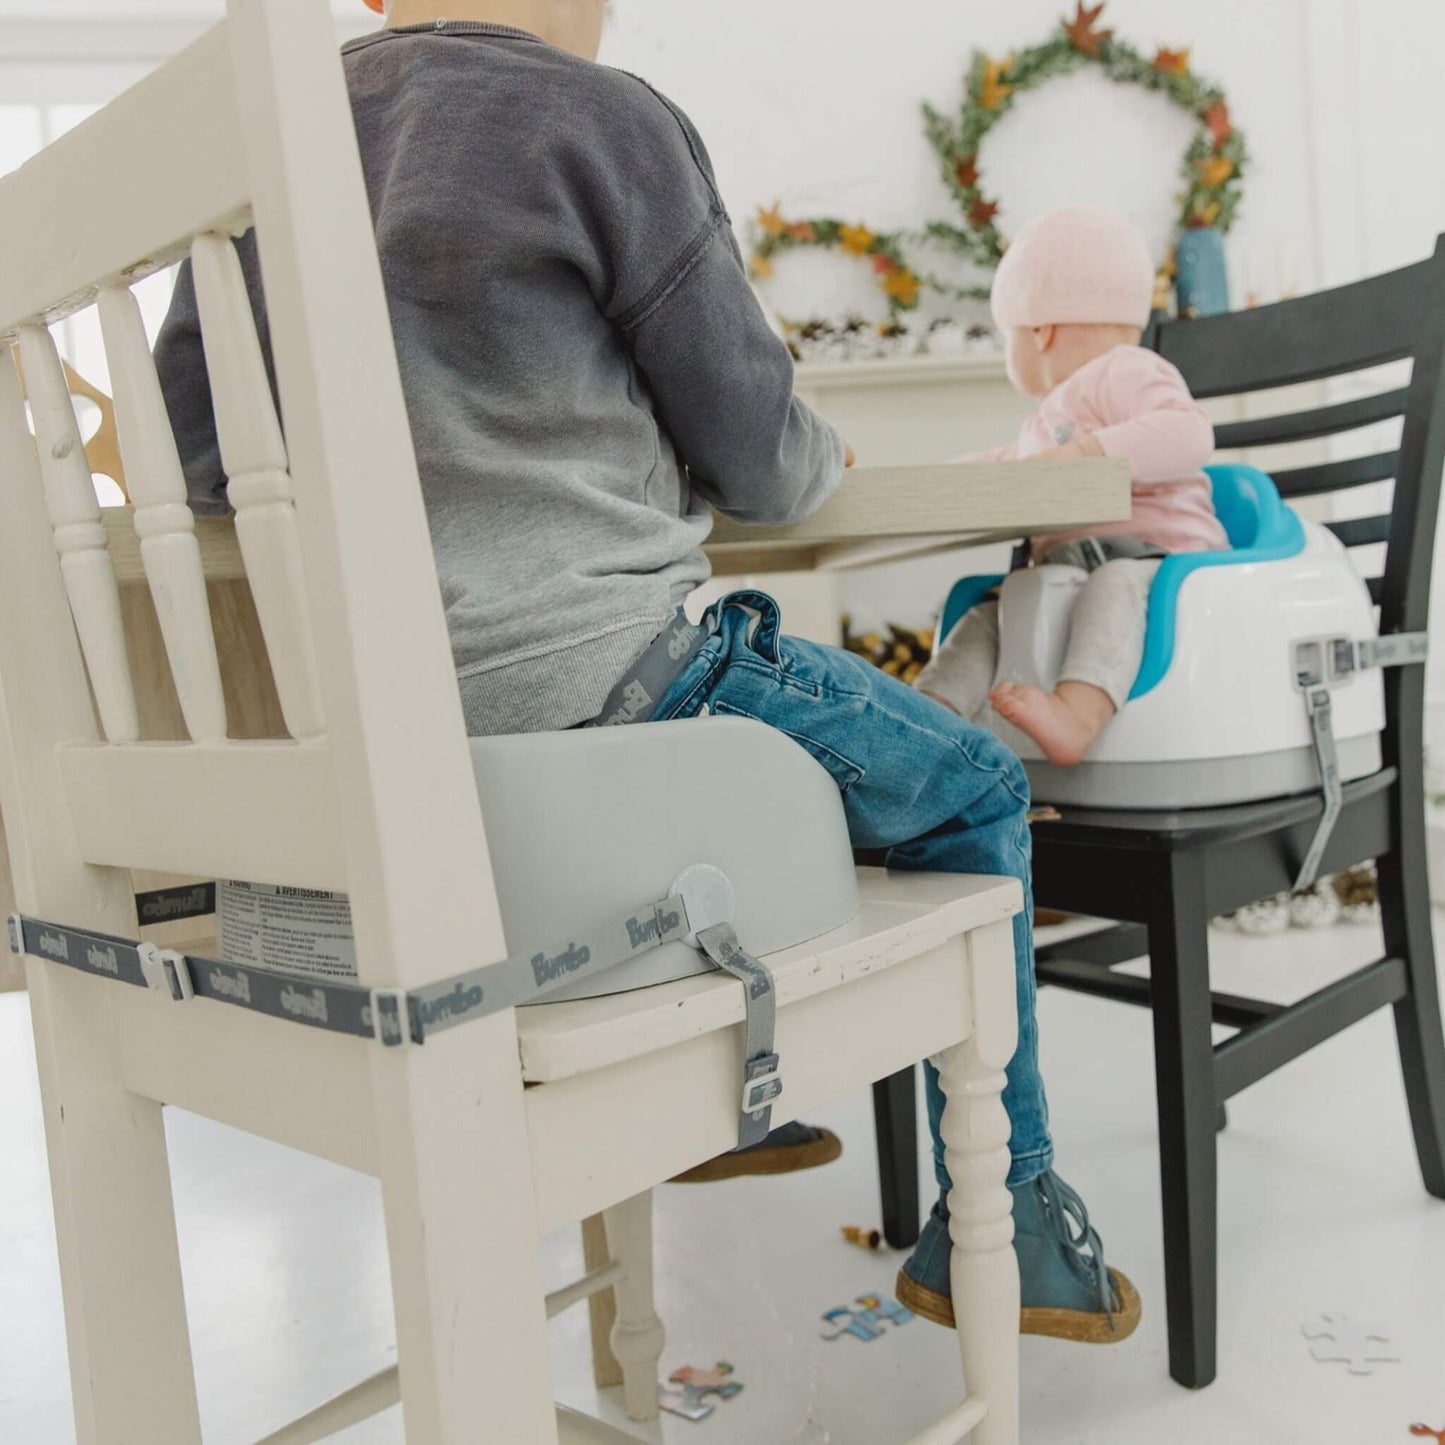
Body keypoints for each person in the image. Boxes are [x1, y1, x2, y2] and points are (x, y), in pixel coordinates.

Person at [155, 0, 1139, 1344]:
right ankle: (1013, 1213)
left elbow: (204, 469)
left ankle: (729, 1088)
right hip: (606, 686)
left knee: (729, 756)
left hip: (376, 748)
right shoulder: (598, 122)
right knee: (966, 781)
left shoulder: (253, 149)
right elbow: (769, 465)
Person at [917, 206, 1227, 765]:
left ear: (1040, 329)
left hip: (1154, 566)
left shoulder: (1127, 370)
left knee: (1113, 587)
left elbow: (1189, 433)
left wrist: (1086, 455)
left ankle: (1076, 714)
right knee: (990, 614)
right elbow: (1005, 465)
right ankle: (921, 721)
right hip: (1070, 575)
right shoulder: (1045, 422)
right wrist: (933, 482)